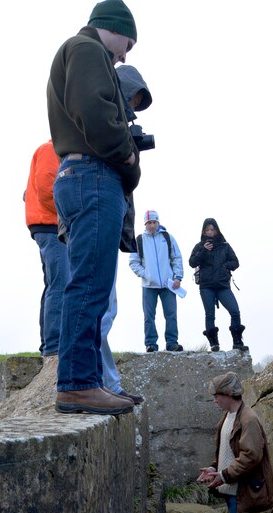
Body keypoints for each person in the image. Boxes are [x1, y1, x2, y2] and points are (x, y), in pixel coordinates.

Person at [47, 0, 140, 415]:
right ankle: (77, 384)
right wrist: (129, 155)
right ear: (117, 29)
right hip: (92, 176)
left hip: (83, 177)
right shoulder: (87, 50)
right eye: (128, 45)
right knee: (89, 284)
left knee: (90, 283)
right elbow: (97, 118)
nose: (125, 55)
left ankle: (87, 381)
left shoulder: (81, 51)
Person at [99, 63, 152, 404]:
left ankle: (107, 382)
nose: (135, 105)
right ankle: (101, 384)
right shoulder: (106, 119)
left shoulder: (116, 119)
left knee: (106, 307)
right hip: (101, 212)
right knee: (100, 308)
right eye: (133, 97)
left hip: (109, 214)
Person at [197, 372, 273, 513]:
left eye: (217, 396)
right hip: (232, 487)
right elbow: (229, 451)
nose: (214, 400)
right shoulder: (230, 416)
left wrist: (223, 476)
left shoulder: (248, 419)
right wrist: (214, 468)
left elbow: (251, 457)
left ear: (228, 394)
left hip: (239, 489)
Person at [24, 140, 70, 357]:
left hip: (49, 225)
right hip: (50, 225)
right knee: (60, 283)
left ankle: (50, 344)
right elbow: (45, 191)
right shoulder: (51, 150)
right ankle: (53, 346)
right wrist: (72, 214)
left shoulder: (54, 150)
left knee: (55, 283)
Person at [129, 210, 184, 352]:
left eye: (154, 222)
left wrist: (177, 277)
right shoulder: (139, 240)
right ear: (145, 224)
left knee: (171, 314)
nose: (152, 225)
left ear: (158, 222)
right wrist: (146, 274)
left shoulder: (167, 237)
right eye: (148, 223)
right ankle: (151, 344)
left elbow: (176, 258)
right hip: (148, 286)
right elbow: (133, 262)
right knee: (149, 316)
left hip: (168, 284)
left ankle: (172, 343)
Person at [189, 218, 248, 352]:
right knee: (210, 314)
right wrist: (203, 250)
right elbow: (192, 262)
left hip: (223, 285)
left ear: (217, 230)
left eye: (212, 229)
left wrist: (225, 267)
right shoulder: (199, 246)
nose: (210, 232)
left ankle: (237, 342)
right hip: (206, 286)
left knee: (234, 311)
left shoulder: (225, 245)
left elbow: (235, 262)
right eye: (207, 229)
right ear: (204, 231)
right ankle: (214, 344)